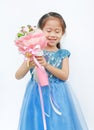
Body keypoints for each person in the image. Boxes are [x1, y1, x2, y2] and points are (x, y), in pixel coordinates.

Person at [15, 12, 88, 130]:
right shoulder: (33, 52)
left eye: (57, 31)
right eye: (48, 31)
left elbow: (64, 76)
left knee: (58, 122)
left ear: (62, 33)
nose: (52, 35)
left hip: (59, 94)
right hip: (36, 94)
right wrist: (29, 64)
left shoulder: (62, 54)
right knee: (37, 120)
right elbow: (18, 75)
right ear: (40, 31)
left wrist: (46, 65)